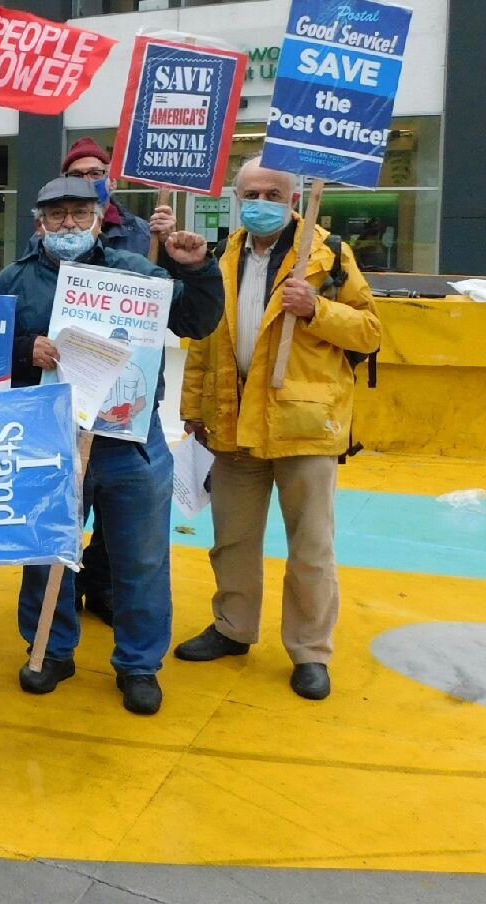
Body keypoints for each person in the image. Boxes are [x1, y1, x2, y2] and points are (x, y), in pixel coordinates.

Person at [0, 175, 223, 716]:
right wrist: (27, 349)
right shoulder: (12, 281)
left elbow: (198, 321)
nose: (67, 223)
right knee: (49, 553)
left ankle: (139, 666)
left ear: (100, 216)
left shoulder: (140, 274)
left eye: (78, 211)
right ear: (38, 222)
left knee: (140, 559)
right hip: (49, 441)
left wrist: (198, 269)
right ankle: (49, 648)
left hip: (132, 446)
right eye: (56, 214)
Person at [175, 157, 381, 701]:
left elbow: (370, 331)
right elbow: (204, 340)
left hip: (304, 426)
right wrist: (192, 407)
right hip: (231, 423)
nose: (260, 201)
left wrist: (317, 309)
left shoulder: (328, 254)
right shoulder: (222, 256)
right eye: (250, 192)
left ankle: (310, 651)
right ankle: (233, 628)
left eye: (272, 192)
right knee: (233, 540)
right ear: (237, 198)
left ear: (294, 199)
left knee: (310, 546)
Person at [60, 136, 153, 625]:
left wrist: (188, 268)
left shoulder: (138, 239)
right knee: (62, 522)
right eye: (79, 176)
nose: (70, 223)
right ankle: (57, 627)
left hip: (122, 422)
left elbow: (180, 312)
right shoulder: (33, 262)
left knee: (127, 535)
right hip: (63, 418)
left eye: (98, 173)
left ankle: (102, 587)